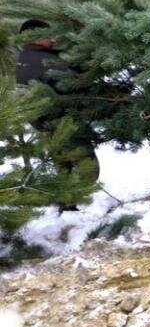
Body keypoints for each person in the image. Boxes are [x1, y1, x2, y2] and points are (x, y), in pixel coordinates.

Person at [14, 19, 100, 211]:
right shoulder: (40, 60)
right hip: (61, 121)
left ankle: (67, 206)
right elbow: (70, 83)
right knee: (88, 165)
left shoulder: (31, 55)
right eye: (47, 35)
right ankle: (74, 203)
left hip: (46, 123)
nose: (52, 39)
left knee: (64, 164)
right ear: (33, 38)